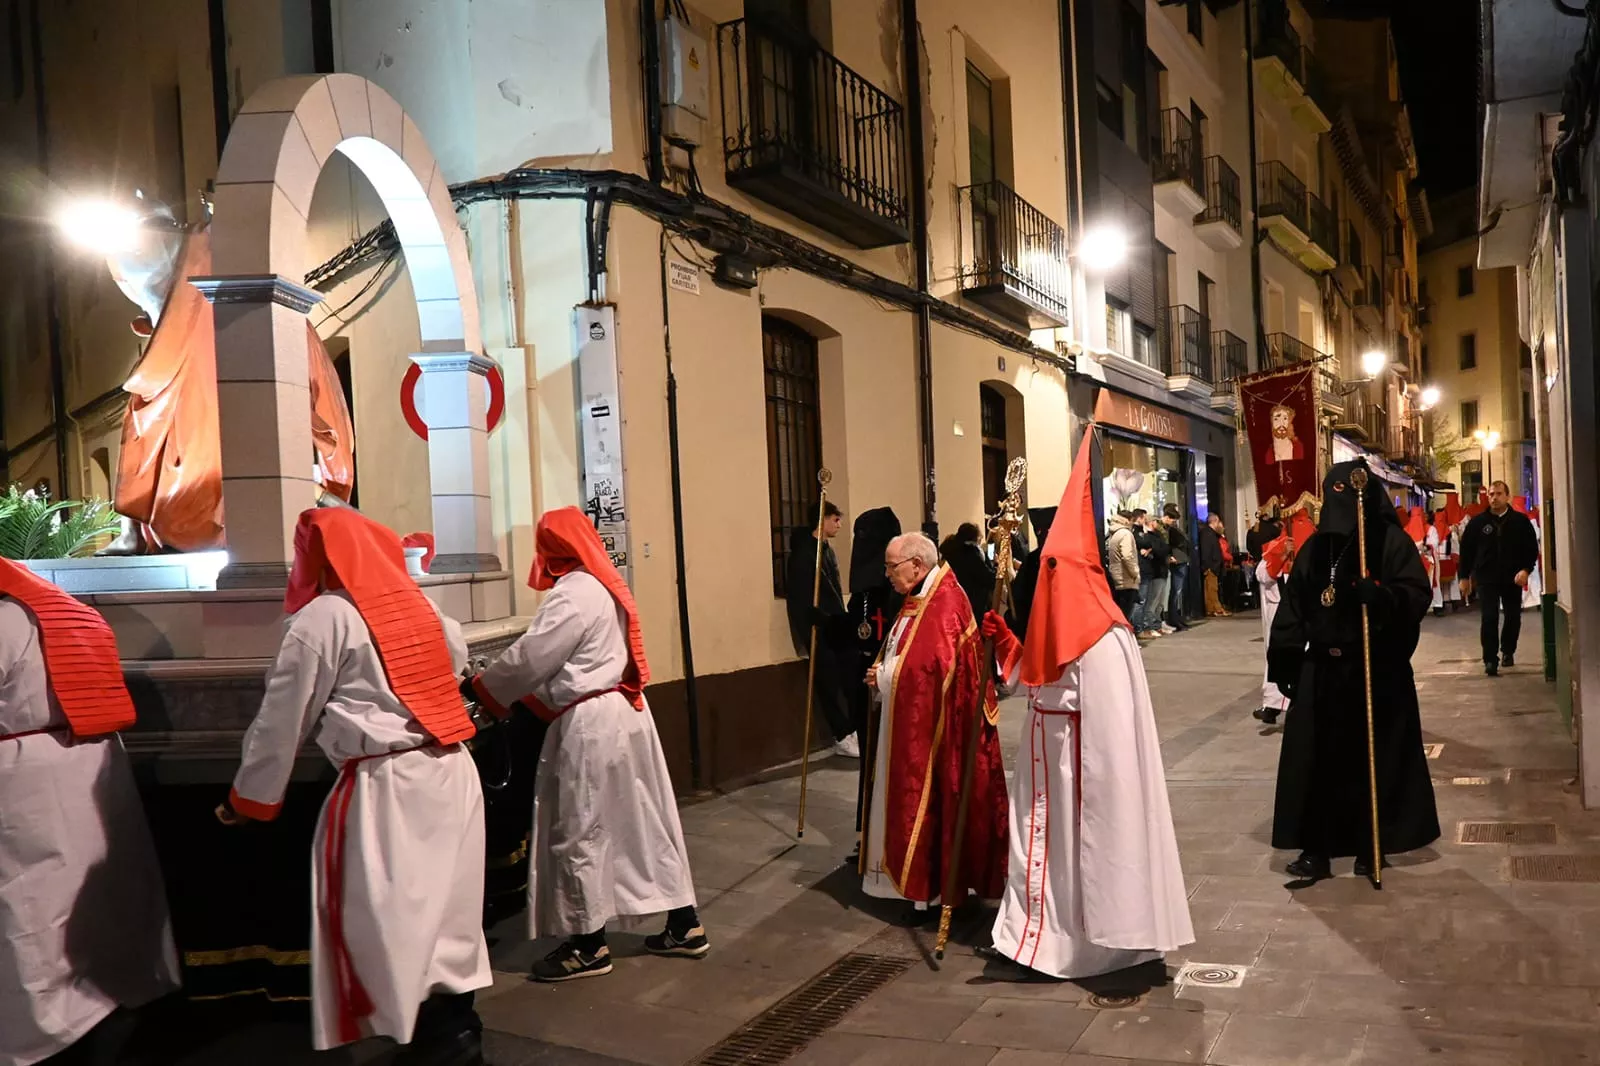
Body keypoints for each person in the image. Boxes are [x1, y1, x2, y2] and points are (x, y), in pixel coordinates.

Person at [221, 508, 490, 1061]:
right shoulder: (425, 606)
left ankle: (432, 1039)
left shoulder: (325, 617)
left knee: (383, 922)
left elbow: (282, 718)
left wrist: (250, 798)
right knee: (450, 915)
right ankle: (457, 1033)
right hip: (452, 769)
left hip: (387, 784)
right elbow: (457, 661)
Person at [979, 433, 1193, 978]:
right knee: (1038, 852)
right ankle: (1031, 937)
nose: (1043, 582)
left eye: (1052, 571)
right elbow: (1041, 675)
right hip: (1046, 763)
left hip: (1082, 777)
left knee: (1078, 861)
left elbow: (1106, 723)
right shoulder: (1070, 627)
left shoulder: (1107, 636)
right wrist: (1008, 643)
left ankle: (1085, 945)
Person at [467, 508, 704, 981]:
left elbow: (531, 658)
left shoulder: (573, 594)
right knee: (645, 821)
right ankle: (685, 924)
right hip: (629, 714)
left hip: (592, 722)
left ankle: (588, 946)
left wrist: (482, 687)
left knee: (580, 826)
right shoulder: (606, 586)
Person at [0, 558, 179, 1066]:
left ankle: (42, 1033)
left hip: (24, 782)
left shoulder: (4, 620)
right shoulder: (66, 608)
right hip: (88, 766)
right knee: (93, 907)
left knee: (30, 909)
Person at [1266, 460, 1440, 881]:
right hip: (1323, 670)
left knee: (1373, 761)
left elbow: (1416, 595)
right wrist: (1285, 658)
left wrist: (1379, 597)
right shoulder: (1317, 548)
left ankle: (1372, 844)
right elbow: (1295, 605)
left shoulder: (1389, 543)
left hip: (1375, 670)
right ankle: (1317, 848)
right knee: (1316, 762)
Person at [861, 532, 1007, 915]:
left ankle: (929, 888)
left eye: (893, 567)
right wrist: (884, 668)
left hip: (939, 728)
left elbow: (930, 670)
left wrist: (886, 676)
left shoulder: (944, 601)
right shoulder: (920, 596)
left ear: (916, 565)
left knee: (932, 802)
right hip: (911, 719)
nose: (888, 574)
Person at [846, 506, 904, 852]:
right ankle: (866, 833)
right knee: (870, 759)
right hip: (864, 684)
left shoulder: (900, 589)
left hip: (890, 685)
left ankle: (886, 836)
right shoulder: (864, 593)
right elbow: (856, 630)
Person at [784, 501, 858, 757]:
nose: (838, 524)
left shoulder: (826, 550)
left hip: (834, 624)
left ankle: (852, 728)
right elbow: (802, 596)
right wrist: (813, 623)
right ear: (822, 520)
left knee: (845, 676)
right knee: (826, 681)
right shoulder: (805, 554)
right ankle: (841, 734)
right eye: (835, 519)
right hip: (818, 629)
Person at [1458, 481, 1539, 676]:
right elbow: (1466, 551)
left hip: (1513, 578)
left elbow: (1531, 549)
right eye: (1491, 494)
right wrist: (1464, 577)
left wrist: (1526, 570)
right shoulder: (1477, 523)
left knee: (1512, 617)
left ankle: (1508, 650)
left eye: (1499, 494)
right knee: (1489, 618)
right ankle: (1490, 659)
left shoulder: (1520, 522)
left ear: (1507, 496)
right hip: (1487, 578)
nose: (1494, 498)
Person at [1253, 511, 1312, 725]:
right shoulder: (1277, 545)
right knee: (1277, 654)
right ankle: (1273, 705)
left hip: (1303, 611)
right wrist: (1280, 556)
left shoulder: (1315, 544)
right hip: (1279, 609)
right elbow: (1263, 574)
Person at [1010, 507, 1056, 641]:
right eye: (1039, 531)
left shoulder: (1068, 559)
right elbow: (1018, 597)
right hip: (1036, 629)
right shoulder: (1032, 560)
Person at [940, 521, 996, 619]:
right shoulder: (971, 553)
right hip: (972, 601)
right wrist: (995, 567)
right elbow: (987, 578)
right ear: (975, 538)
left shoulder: (950, 549)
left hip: (953, 599)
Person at [1132, 510, 1170, 640]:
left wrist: (1150, 548)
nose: (1156, 523)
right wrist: (1151, 546)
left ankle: (1150, 626)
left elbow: (1164, 548)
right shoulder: (1136, 533)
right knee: (1144, 602)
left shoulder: (1154, 534)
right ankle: (1142, 627)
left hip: (1152, 570)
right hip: (1145, 570)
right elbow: (1147, 543)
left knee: (1154, 601)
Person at [1104, 511, 1141, 624]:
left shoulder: (1114, 533)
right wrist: (1135, 572)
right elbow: (1127, 556)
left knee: (1120, 611)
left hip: (1117, 576)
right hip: (1126, 578)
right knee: (1125, 614)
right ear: (1128, 520)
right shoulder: (1125, 534)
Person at [1162, 504, 1192, 631]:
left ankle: (1177, 618)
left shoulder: (1172, 528)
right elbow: (1166, 544)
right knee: (1175, 591)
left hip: (1181, 559)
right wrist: (1169, 557)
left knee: (1177, 592)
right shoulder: (1167, 529)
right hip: (1178, 560)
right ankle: (1173, 618)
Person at [1197, 514, 1231, 617]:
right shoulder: (1207, 534)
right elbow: (1206, 551)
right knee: (1212, 589)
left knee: (1210, 588)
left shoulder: (1210, 533)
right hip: (1211, 566)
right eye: (1218, 522)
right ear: (1214, 522)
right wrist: (1208, 566)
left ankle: (1211, 609)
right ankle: (1216, 609)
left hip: (1213, 565)